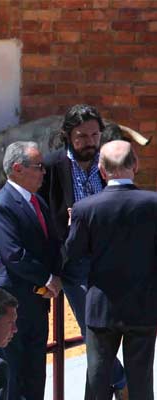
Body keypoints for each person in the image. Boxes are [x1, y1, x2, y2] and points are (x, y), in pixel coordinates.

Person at [39, 104, 127, 397]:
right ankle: (123, 383)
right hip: (73, 263)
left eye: (94, 135)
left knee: (112, 330)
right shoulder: (51, 167)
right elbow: (39, 214)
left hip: (110, 260)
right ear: (67, 136)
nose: (89, 142)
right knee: (93, 329)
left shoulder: (109, 164)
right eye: (81, 136)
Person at [64, 140, 157, 400]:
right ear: (135, 165)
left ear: (102, 171)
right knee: (142, 381)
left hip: (101, 308)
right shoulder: (153, 204)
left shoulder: (85, 208)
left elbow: (72, 256)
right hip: (143, 307)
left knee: (97, 379)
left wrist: (74, 227)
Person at [0, 141, 62, 400]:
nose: (44, 172)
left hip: (36, 303)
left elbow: (49, 243)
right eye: (38, 167)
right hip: (10, 303)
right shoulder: (1, 205)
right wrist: (49, 278)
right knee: (12, 376)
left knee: (34, 373)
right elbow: (13, 255)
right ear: (18, 169)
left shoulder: (36, 200)